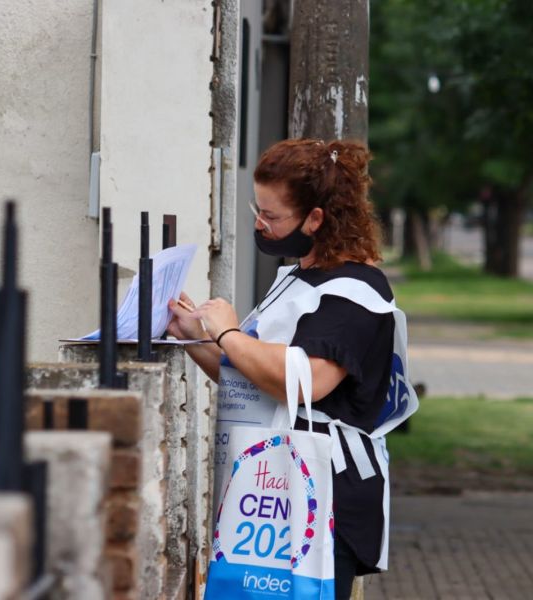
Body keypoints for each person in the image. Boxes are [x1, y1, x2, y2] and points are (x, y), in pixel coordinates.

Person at [167, 138, 415, 599]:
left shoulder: (356, 291)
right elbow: (256, 378)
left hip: (324, 493)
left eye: (271, 216)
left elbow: (308, 381)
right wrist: (192, 336)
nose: (259, 225)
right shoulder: (298, 277)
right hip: (274, 488)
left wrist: (228, 333)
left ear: (315, 219)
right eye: (256, 210)